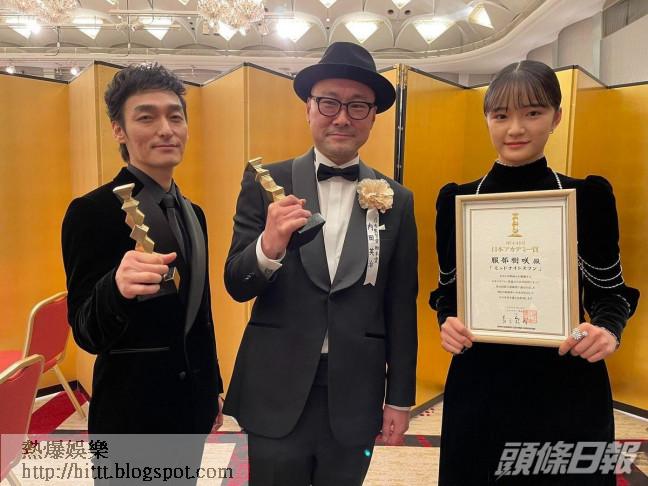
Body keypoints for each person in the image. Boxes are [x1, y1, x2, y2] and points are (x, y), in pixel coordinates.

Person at [429, 59, 640, 485]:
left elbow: (611, 292)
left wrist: (607, 330)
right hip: (481, 384)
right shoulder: (458, 201)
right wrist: (447, 322)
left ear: (556, 117)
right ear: (486, 119)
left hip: (565, 380)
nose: (515, 129)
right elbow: (448, 291)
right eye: (500, 115)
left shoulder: (587, 197)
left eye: (532, 113)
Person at [224, 42, 418, 486]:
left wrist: (399, 398)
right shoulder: (267, 182)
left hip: (357, 391)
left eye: (357, 105)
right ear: (309, 108)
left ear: (373, 116)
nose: (342, 117)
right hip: (275, 385)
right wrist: (268, 246)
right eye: (329, 102)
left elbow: (400, 305)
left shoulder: (397, 199)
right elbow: (237, 283)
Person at [61, 63, 223, 438]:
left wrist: (211, 384)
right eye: (146, 117)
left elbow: (201, 311)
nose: (166, 129)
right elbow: (85, 331)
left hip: (192, 407)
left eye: (175, 117)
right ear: (119, 129)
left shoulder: (194, 213)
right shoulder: (92, 211)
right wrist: (115, 288)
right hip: (131, 416)